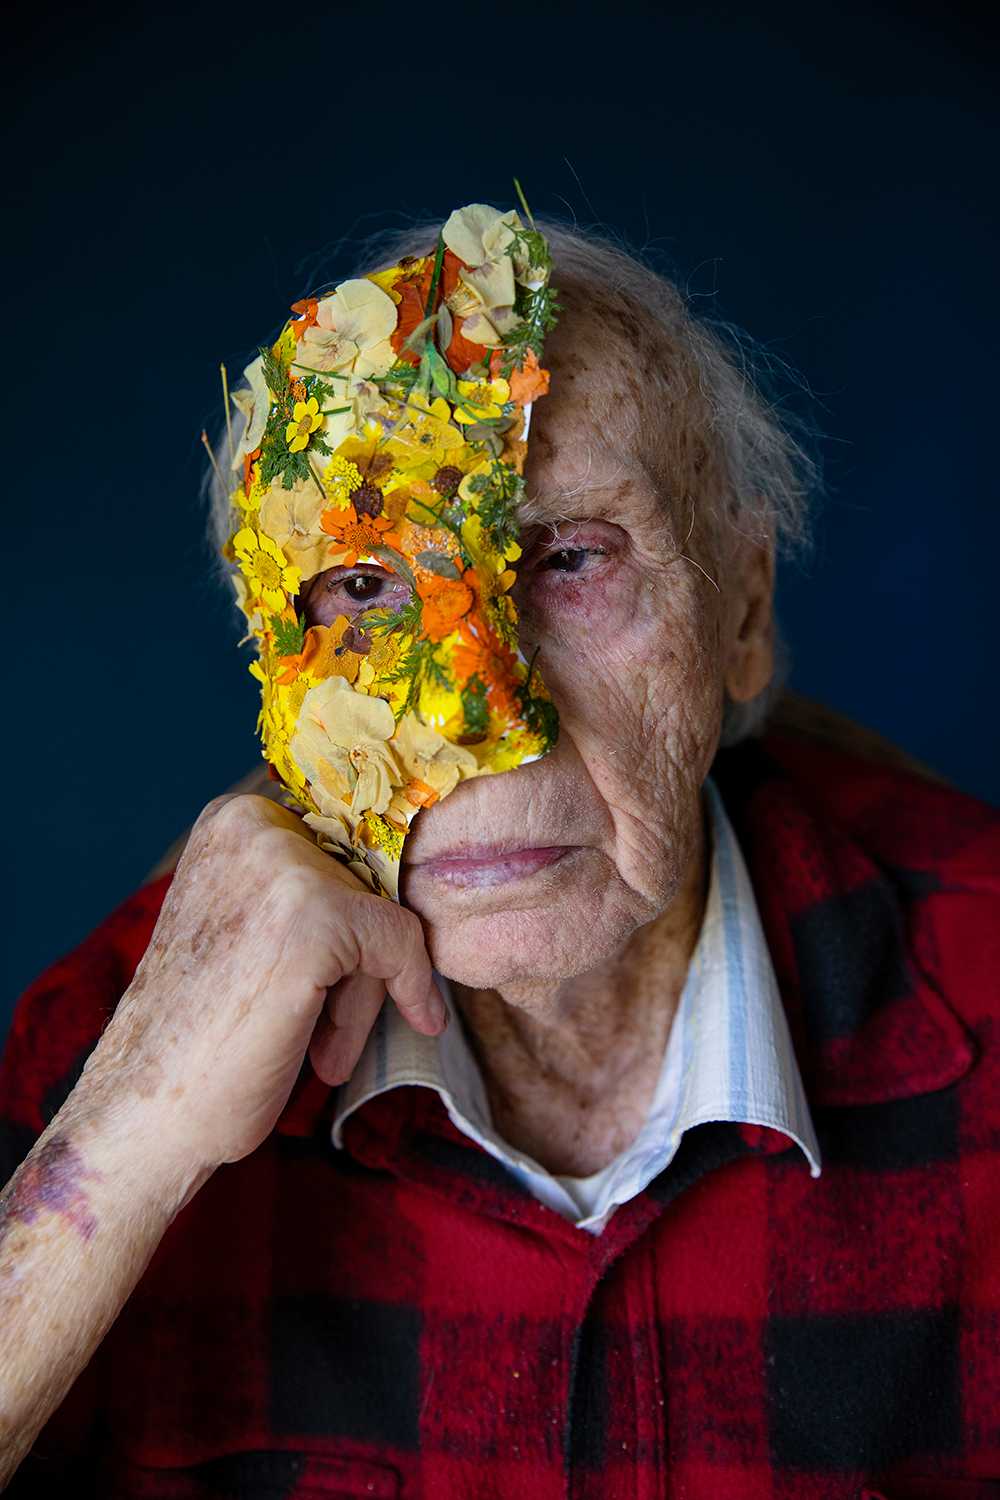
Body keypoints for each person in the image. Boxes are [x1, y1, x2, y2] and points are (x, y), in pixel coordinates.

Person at [1, 218, 998, 1499]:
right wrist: (126, 1143)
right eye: (361, 591)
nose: (476, 714)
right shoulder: (108, 1050)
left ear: (742, 611)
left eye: (567, 558)